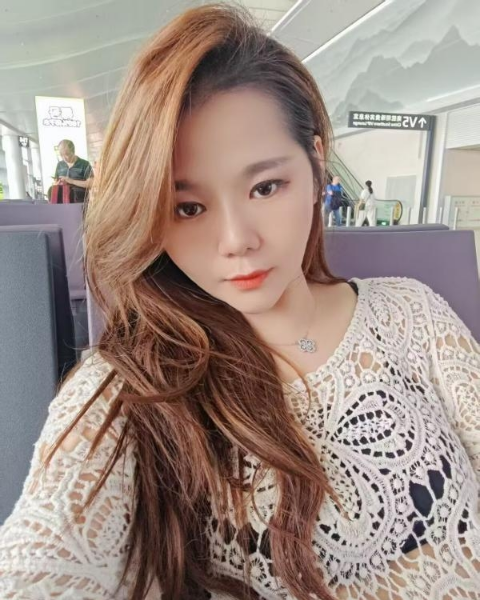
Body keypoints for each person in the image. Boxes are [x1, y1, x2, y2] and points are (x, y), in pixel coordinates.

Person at [1, 5, 479, 600]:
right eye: (188, 207)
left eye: (265, 186)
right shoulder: (132, 386)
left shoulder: (413, 314)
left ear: (317, 164)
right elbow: (47, 557)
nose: (236, 241)